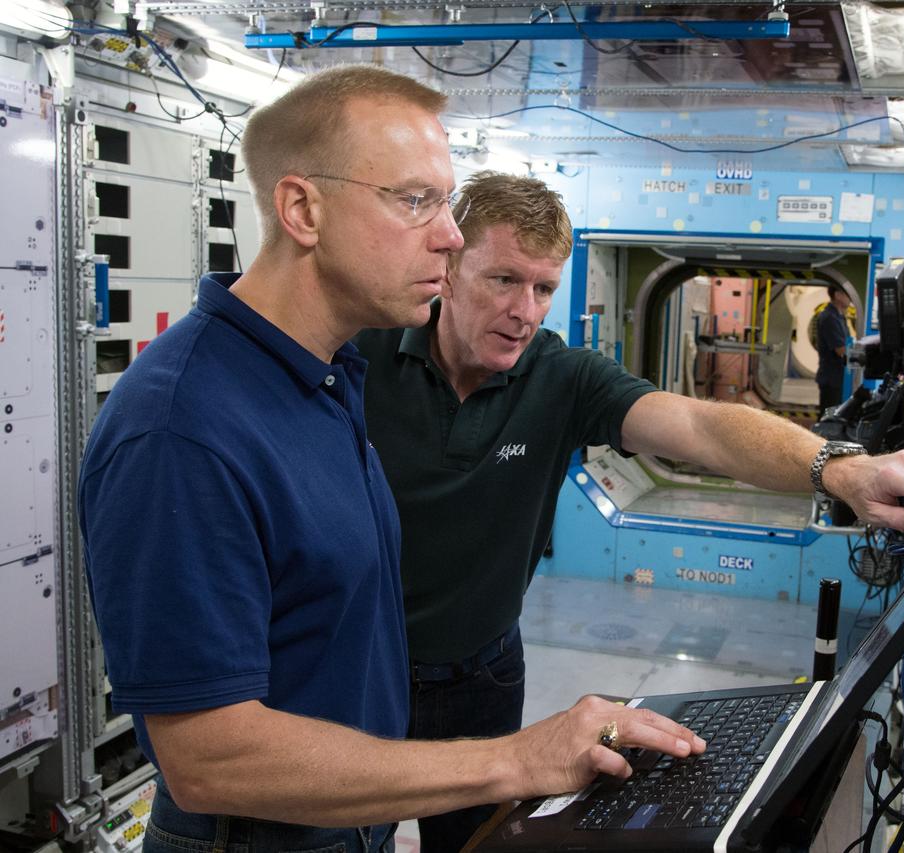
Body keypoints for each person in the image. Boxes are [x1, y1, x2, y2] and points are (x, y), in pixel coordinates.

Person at [77, 65, 702, 853]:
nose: (447, 235)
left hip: (345, 822)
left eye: (445, 202)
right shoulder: (183, 429)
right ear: (303, 208)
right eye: (414, 201)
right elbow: (208, 758)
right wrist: (513, 757)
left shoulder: (324, 378)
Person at [355, 172, 904, 850]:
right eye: (503, 280)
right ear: (449, 264)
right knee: (348, 833)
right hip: (356, 665)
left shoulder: (563, 378)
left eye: (545, 288)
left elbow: (702, 428)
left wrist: (840, 467)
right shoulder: (360, 356)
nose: (526, 309)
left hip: (483, 673)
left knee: (475, 843)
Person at [815, 284, 854, 411]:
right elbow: (840, 350)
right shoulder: (829, 318)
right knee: (829, 417)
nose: (850, 298)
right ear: (837, 295)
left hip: (838, 377)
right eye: (847, 294)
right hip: (831, 379)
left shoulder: (839, 317)